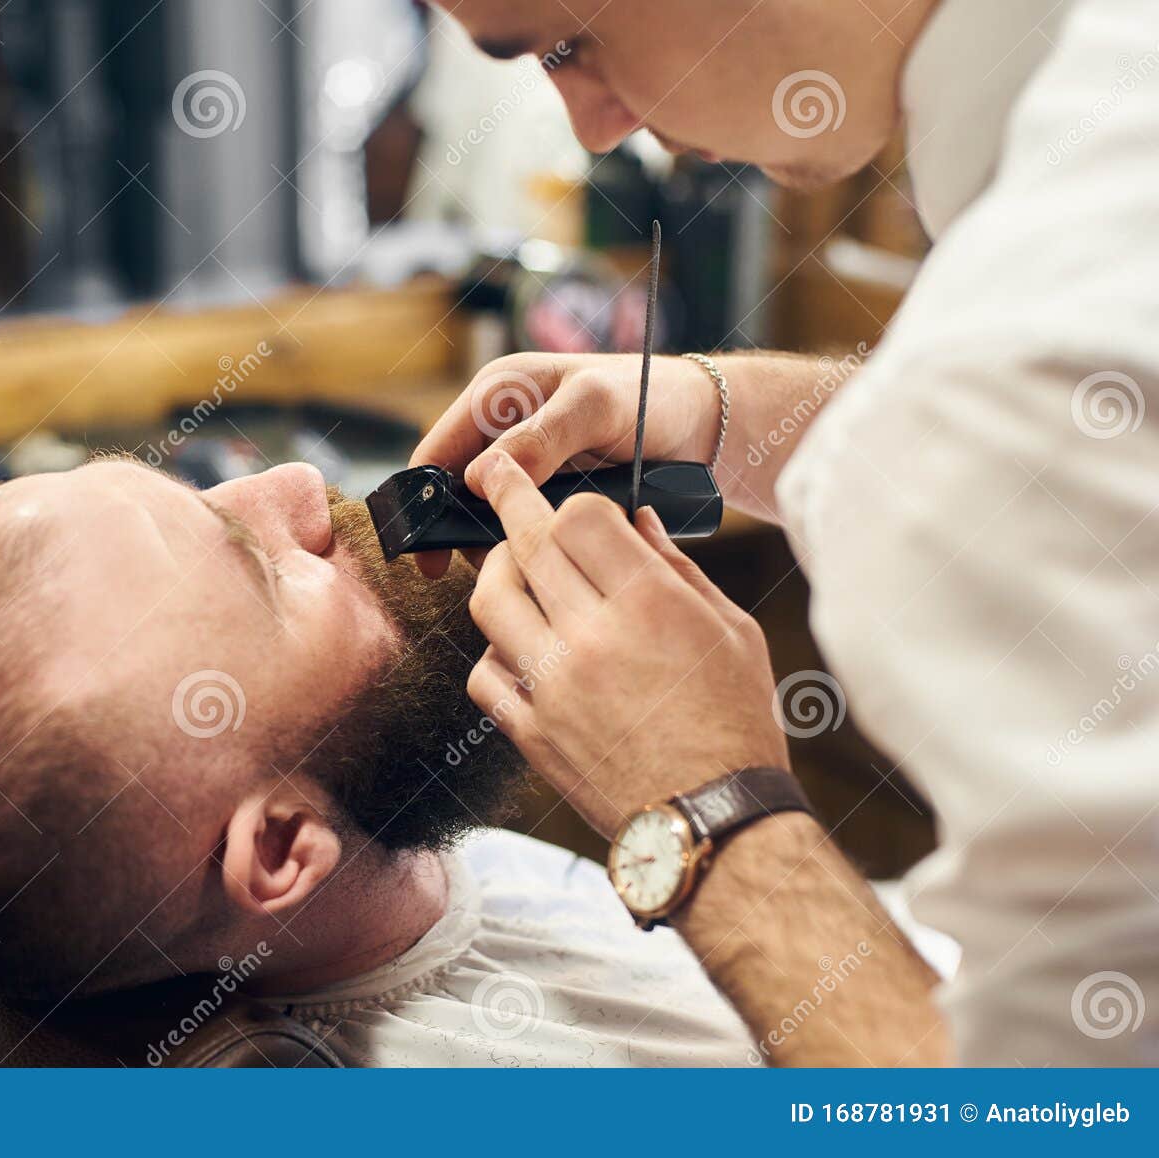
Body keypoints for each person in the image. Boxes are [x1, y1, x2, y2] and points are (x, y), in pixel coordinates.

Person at [416, 0, 1159, 1065]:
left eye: (568, 43)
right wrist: (719, 415)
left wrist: (701, 809)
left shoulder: (1017, 353)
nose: (591, 127)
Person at [0, 454, 787, 1067]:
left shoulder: (387, 854)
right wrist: (733, 800)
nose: (297, 486)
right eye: (263, 567)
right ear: (281, 848)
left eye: (203, 492)